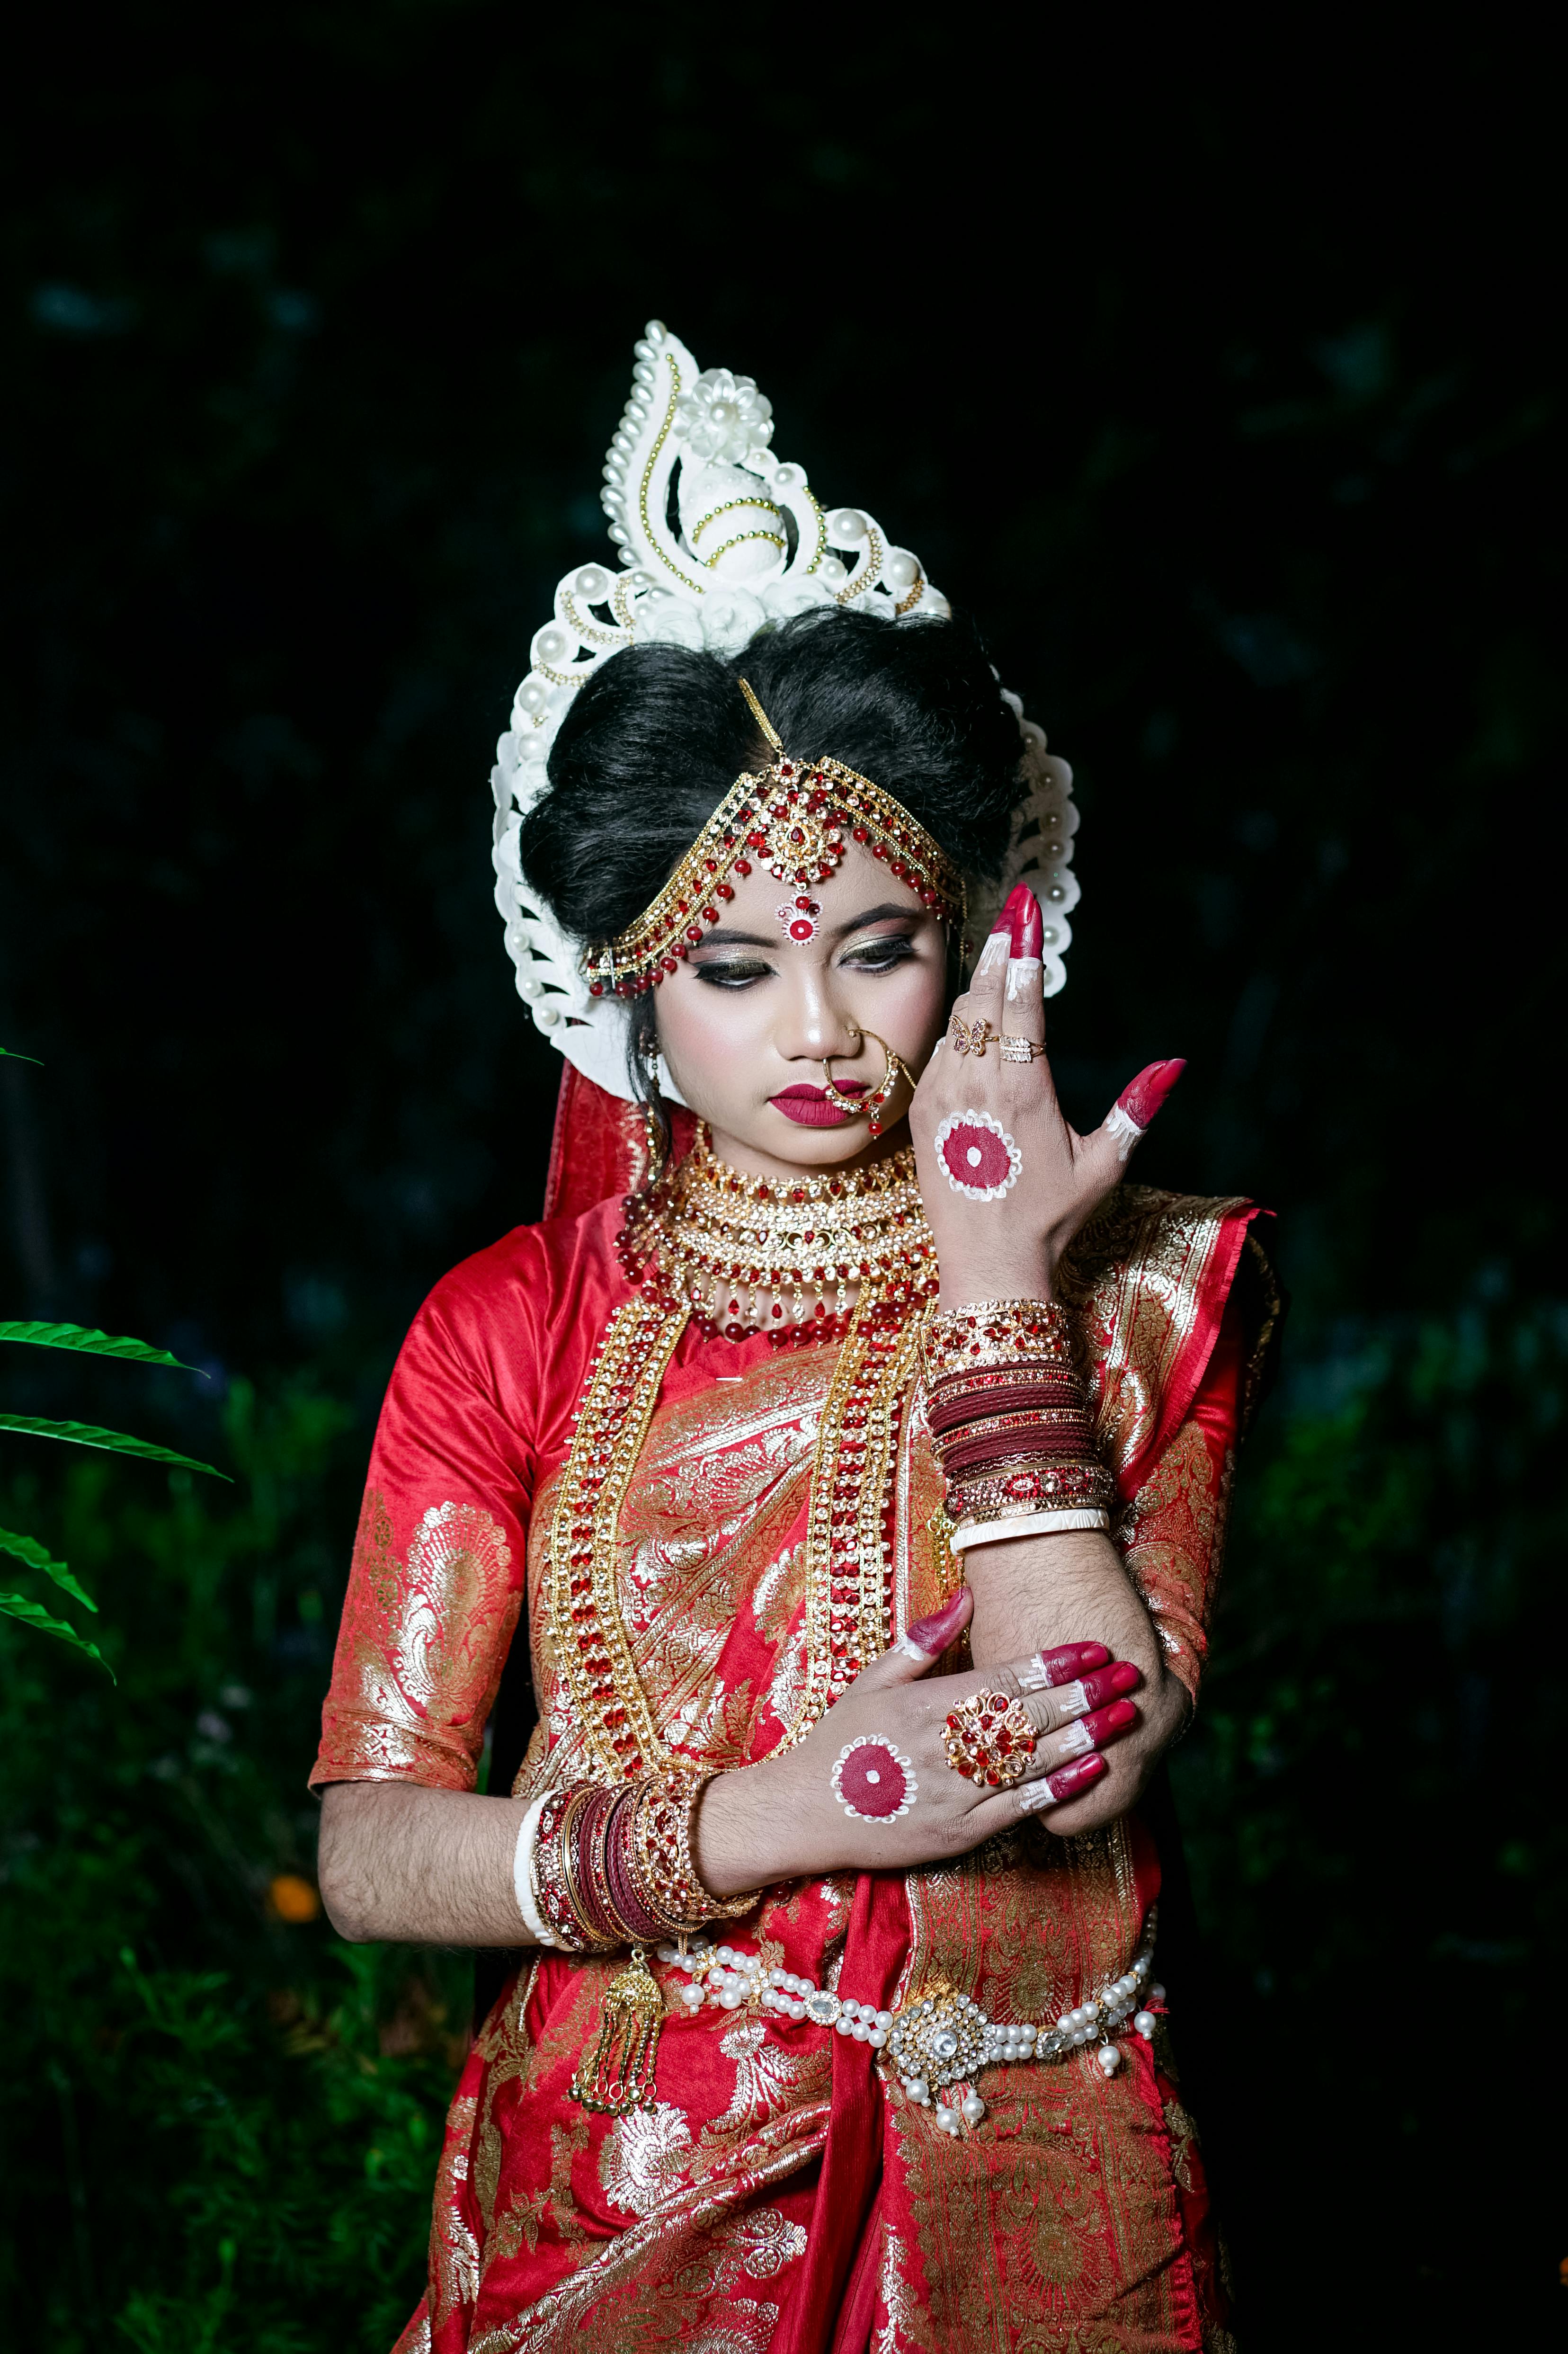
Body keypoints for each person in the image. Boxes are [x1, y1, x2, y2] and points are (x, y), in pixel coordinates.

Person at [312, 322, 1274, 2353]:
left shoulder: (1153, 1285)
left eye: (880, 947)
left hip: (1032, 2207)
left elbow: (1084, 1757)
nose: (821, 1032)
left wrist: (1001, 1277)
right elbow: (377, 1841)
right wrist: (772, 1818)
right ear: (628, 991)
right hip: (620, 2204)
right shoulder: (515, 1324)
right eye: (735, 968)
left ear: (982, 931)